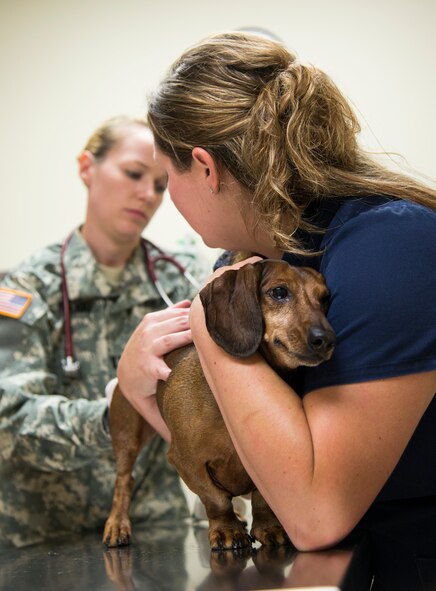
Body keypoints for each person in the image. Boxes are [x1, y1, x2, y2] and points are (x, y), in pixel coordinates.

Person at [116, 32, 436, 552]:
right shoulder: (248, 267)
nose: (163, 196)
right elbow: (238, 455)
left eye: (162, 174)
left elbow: (315, 515)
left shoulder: (389, 248)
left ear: (204, 167)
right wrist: (137, 386)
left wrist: (206, 316)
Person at [0, 116, 200, 547]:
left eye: (161, 184)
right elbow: (8, 422)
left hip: (155, 537)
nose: (147, 194)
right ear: (87, 168)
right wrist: (117, 413)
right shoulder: (24, 289)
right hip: (48, 544)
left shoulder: (179, 285)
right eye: (133, 173)